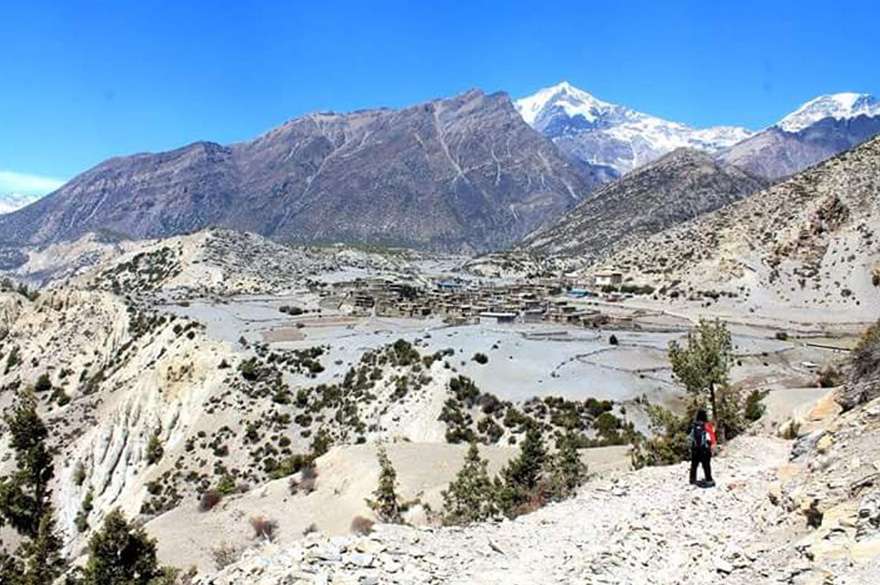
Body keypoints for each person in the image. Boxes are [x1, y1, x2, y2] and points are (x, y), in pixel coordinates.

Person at [688, 409, 715, 487]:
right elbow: (712, 437)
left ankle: (692, 480)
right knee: (706, 465)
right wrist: (712, 446)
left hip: (695, 449)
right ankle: (709, 479)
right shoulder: (707, 425)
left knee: (694, 465)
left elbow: (690, 437)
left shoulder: (694, 425)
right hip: (704, 449)